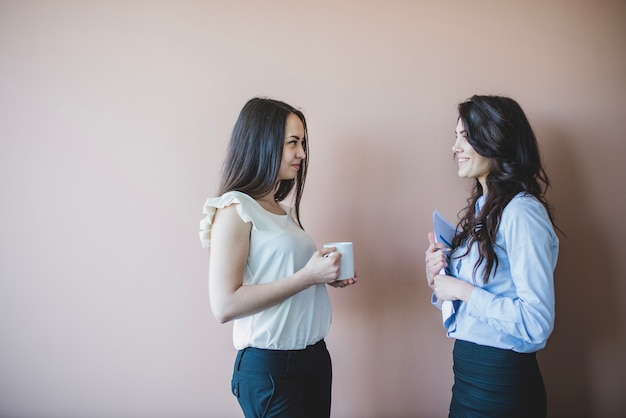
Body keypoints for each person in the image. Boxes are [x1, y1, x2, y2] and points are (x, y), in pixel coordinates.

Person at [199, 97, 357, 418]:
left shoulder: (282, 212)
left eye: (302, 143)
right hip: (271, 368)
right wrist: (308, 276)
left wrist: (324, 274)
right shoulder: (234, 208)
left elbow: (283, 277)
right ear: (263, 144)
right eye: (292, 143)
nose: (301, 152)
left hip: (312, 359)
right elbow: (224, 305)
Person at [424, 95, 560, 417]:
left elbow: (536, 323)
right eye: (455, 137)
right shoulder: (481, 210)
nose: (455, 148)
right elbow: (471, 307)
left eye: (465, 136)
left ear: (496, 138)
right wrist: (439, 280)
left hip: (502, 383)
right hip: (468, 375)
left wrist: (461, 291)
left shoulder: (522, 213)